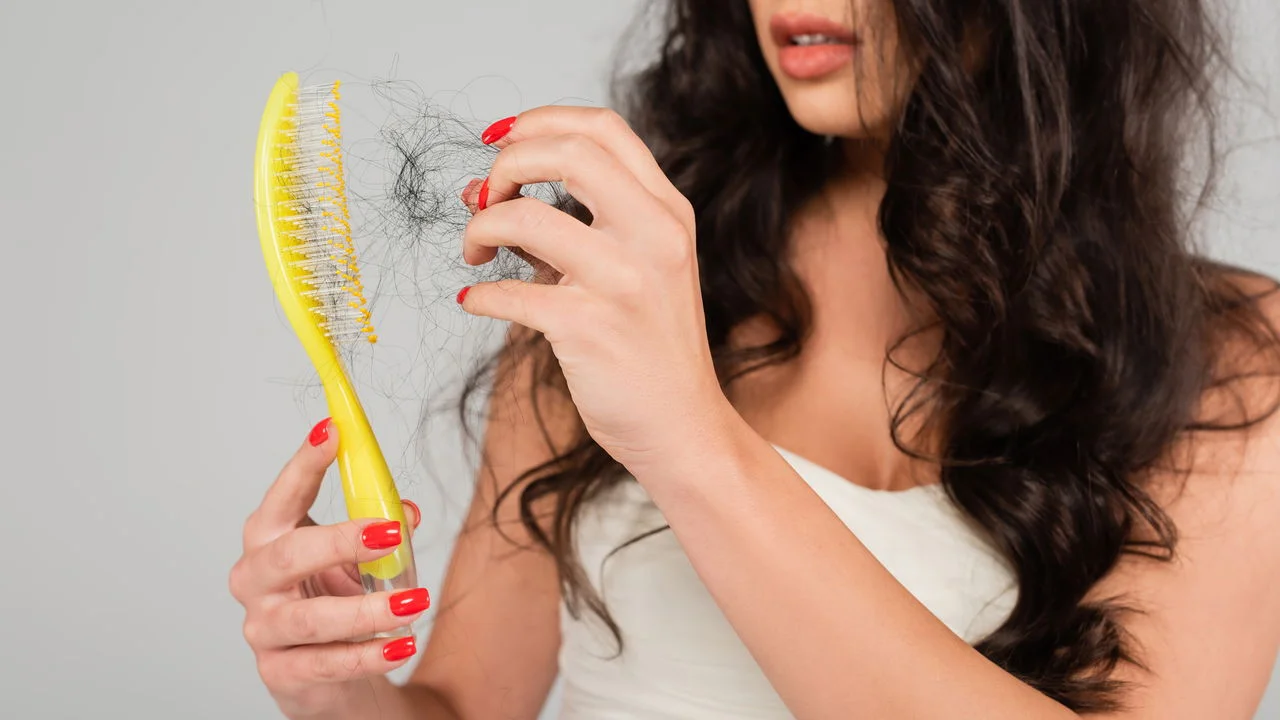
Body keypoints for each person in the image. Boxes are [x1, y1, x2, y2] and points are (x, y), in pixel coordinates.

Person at [229, 0, 1280, 717]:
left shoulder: (1234, 361)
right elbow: (461, 707)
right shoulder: (624, 283)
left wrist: (689, 438)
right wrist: (340, 689)